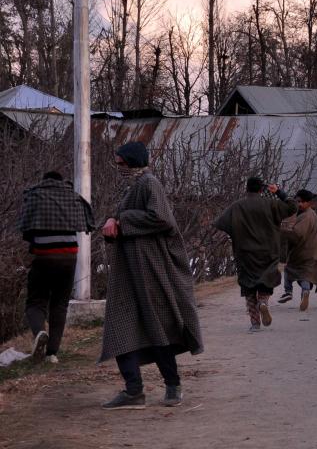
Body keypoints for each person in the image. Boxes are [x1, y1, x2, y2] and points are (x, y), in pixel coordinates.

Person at [99, 142, 203, 410]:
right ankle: (134, 391)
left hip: (150, 269)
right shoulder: (133, 186)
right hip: (129, 271)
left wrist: (122, 222)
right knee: (119, 328)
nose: (118, 167)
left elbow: (161, 219)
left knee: (158, 327)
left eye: (121, 163)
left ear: (132, 161)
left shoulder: (149, 183)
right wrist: (113, 222)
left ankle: (173, 385)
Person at [17, 171, 95, 364]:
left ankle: (39, 332)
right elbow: (87, 225)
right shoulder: (74, 197)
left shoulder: (35, 195)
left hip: (44, 256)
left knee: (36, 301)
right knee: (60, 304)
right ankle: (52, 354)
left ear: (44, 181)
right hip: (69, 257)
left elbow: (24, 229)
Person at [214, 177, 296, 332]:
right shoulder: (271, 204)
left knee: (249, 287)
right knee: (266, 281)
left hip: (245, 253)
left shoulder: (237, 206)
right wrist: (278, 192)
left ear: (247, 189)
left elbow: (220, 223)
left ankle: (255, 323)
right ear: (261, 189)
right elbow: (292, 207)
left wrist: (236, 232)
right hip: (268, 252)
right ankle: (263, 303)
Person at [279, 190, 317, 311]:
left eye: (301, 202)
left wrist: (283, 231)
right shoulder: (312, 214)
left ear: (309, 203)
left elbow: (297, 234)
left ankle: (288, 292)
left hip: (302, 251)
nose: (299, 204)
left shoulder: (306, 216)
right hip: (313, 250)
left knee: (289, 270)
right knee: (306, 275)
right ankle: (305, 292)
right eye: (298, 201)